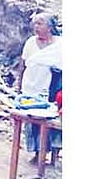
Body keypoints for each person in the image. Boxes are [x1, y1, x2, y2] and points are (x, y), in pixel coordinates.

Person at [15, 12, 62, 163]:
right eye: (35, 23)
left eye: (40, 23)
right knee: (32, 121)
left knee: (53, 123)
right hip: (31, 86)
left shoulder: (60, 45)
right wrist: (19, 86)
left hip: (52, 88)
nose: (36, 26)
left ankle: (53, 155)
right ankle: (37, 153)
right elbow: (23, 64)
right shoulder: (30, 42)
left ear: (50, 27)